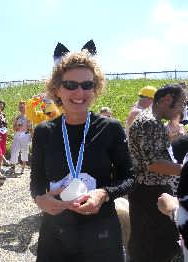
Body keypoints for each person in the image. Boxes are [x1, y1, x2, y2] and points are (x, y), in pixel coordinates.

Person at [30, 50, 134, 261]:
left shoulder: (110, 128)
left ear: (95, 89)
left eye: (87, 85)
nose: (79, 92)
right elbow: (37, 180)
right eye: (70, 85)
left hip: (101, 233)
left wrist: (103, 194)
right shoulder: (44, 131)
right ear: (57, 89)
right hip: (56, 233)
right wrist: (40, 198)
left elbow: (129, 177)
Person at [128, 83, 186, 262]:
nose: (182, 109)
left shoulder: (152, 121)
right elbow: (154, 164)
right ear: (166, 100)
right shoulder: (150, 123)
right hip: (151, 193)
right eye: (180, 104)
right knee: (155, 245)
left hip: (149, 190)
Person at [9, 101, 32, 175]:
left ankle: (23, 167)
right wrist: (17, 126)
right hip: (17, 134)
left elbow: (31, 127)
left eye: (22, 107)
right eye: (20, 107)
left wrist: (32, 135)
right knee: (14, 151)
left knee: (25, 151)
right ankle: (13, 167)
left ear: (25, 107)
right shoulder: (17, 116)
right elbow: (14, 127)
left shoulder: (29, 116)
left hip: (26, 135)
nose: (21, 108)